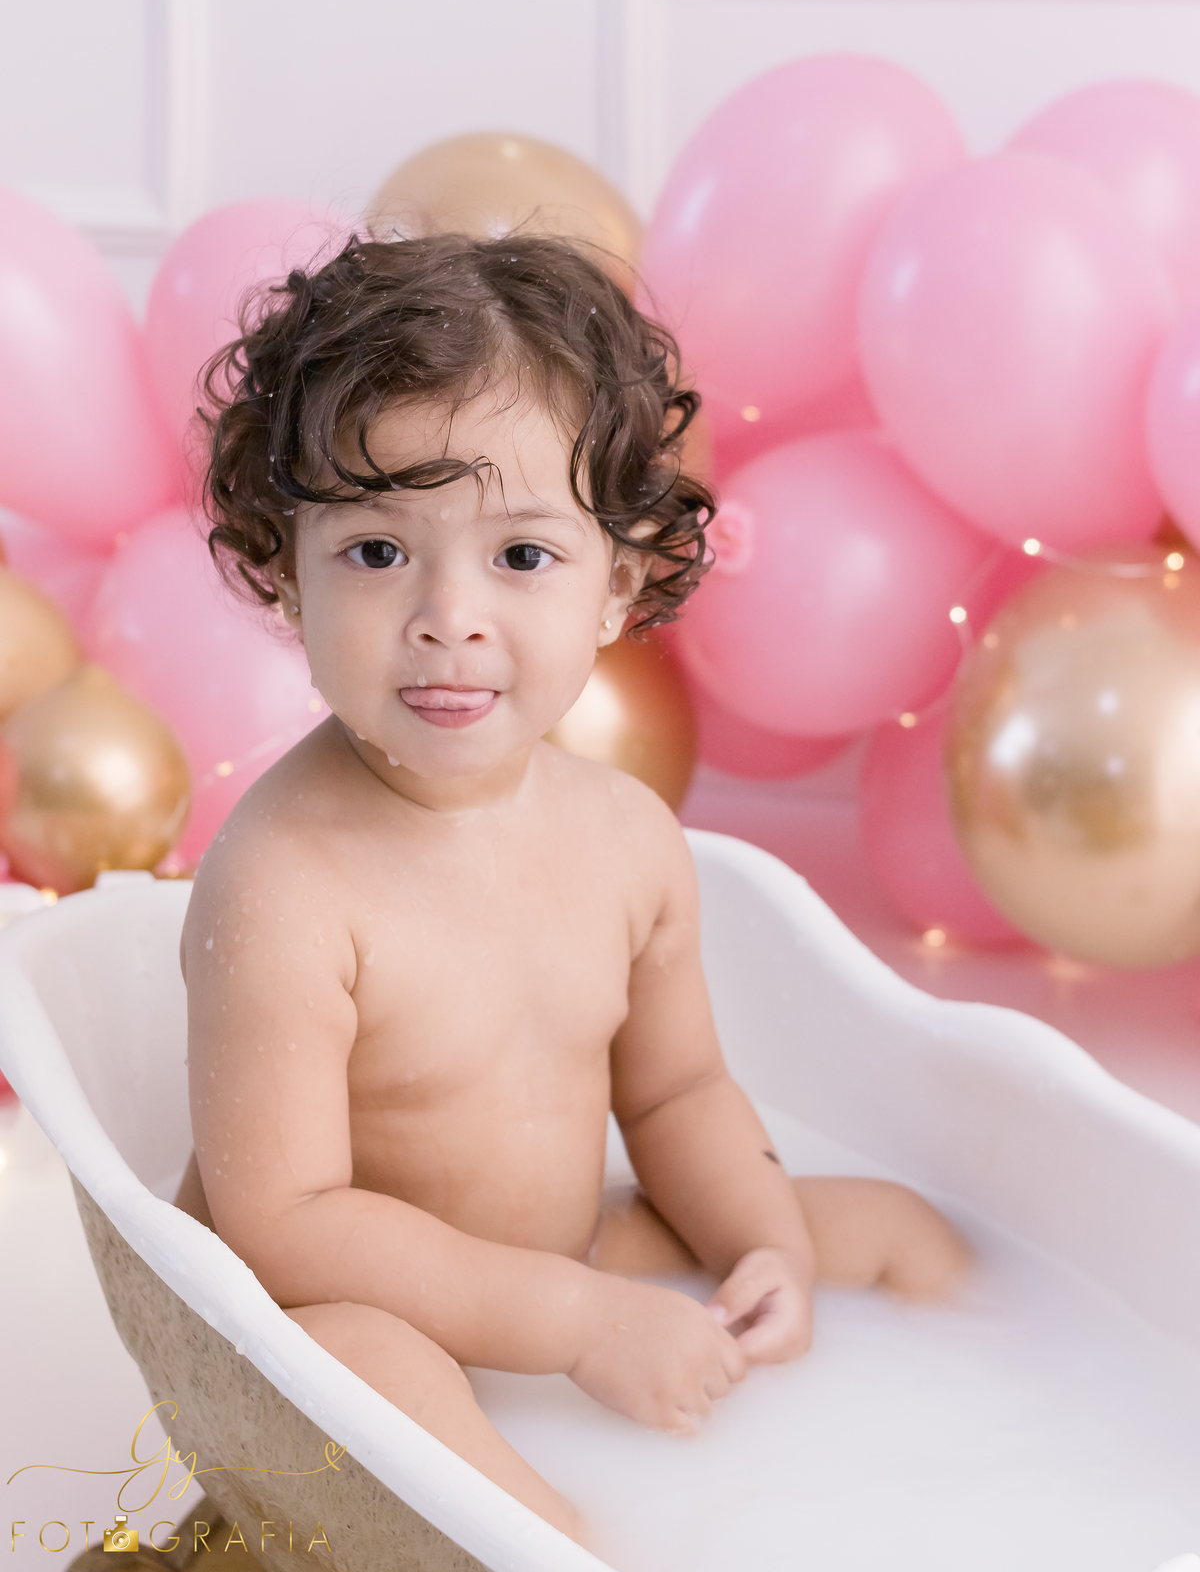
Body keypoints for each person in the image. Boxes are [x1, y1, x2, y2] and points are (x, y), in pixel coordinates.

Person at [175, 233, 969, 1543]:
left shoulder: (627, 840)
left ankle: (961, 1460)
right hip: (359, 1304)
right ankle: (561, 1543)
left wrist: (760, 1241)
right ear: (283, 569)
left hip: (566, 1253)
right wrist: (575, 1323)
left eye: (522, 557)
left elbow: (674, 1094)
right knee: (361, 1362)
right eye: (375, 551)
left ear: (620, 584)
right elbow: (283, 1227)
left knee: (897, 1233)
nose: (449, 616)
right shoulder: (284, 884)